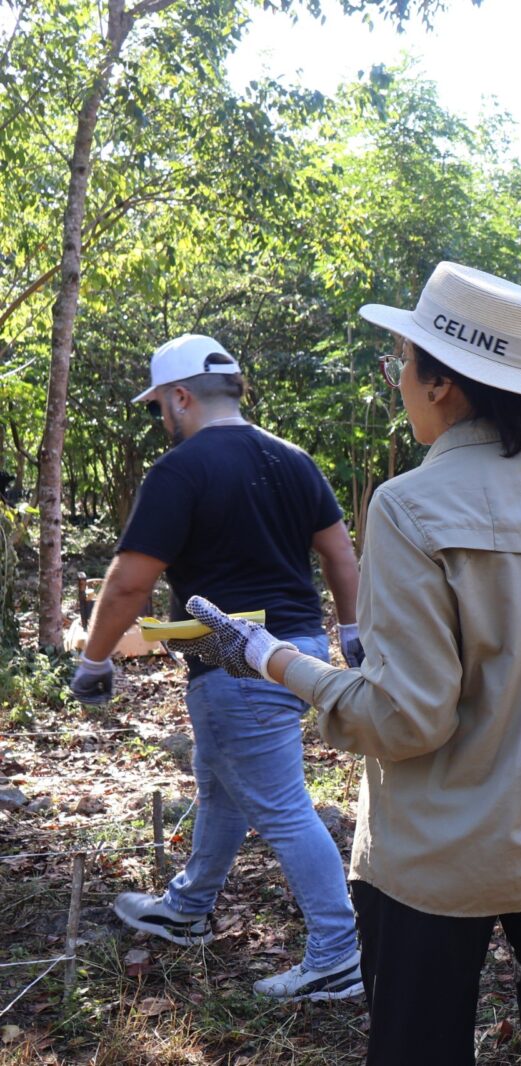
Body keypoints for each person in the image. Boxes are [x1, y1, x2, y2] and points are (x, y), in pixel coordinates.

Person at [169, 262, 521, 1066]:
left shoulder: (409, 505)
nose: (398, 378)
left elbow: (406, 717)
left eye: (403, 362)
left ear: (441, 385)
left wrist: (275, 659)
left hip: (440, 858)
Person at [68, 334, 363, 1002]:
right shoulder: (292, 459)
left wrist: (92, 662)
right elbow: (341, 556)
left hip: (235, 661)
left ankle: (339, 954)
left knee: (285, 809)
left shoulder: (181, 469)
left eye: (157, 410)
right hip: (298, 651)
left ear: (180, 398)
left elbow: (126, 585)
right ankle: (188, 907)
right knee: (222, 786)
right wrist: (351, 632)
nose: (161, 423)